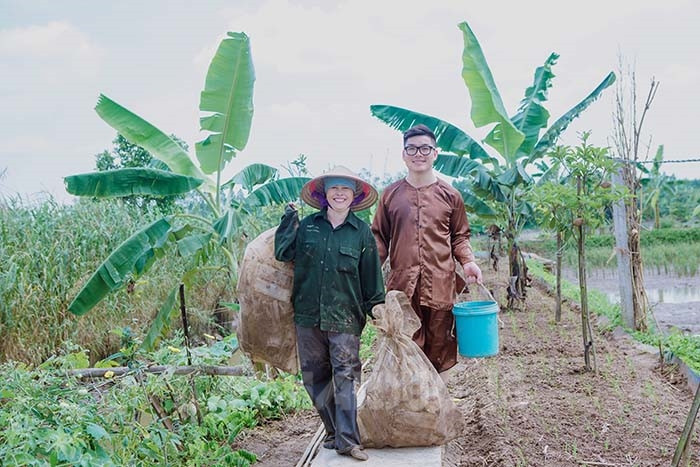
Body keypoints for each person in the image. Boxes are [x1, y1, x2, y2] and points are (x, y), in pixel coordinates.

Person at [275, 166, 385, 462]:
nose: (339, 193)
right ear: (324, 195)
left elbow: (371, 276)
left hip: (346, 316)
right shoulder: (308, 226)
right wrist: (288, 219)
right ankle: (334, 430)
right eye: (334, 188)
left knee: (345, 376)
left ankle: (349, 441)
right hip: (308, 315)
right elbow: (283, 253)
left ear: (354, 196)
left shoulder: (361, 232)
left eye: (345, 189)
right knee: (314, 376)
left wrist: (378, 309)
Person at [371, 124, 483, 379]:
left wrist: (468, 262)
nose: (418, 154)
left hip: (441, 282)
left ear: (435, 153)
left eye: (424, 148)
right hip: (402, 286)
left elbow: (459, 236)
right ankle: (411, 404)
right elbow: (379, 238)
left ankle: (437, 404)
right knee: (404, 343)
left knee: (440, 344)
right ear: (404, 154)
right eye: (412, 148)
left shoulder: (450, 195)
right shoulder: (390, 196)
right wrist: (365, 272)